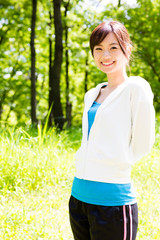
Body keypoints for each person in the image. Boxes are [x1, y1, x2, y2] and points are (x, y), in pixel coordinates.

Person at [69, 21, 155, 240]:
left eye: (113, 47)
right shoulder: (91, 94)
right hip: (79, 197)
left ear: (126, 48)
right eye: (98, 49)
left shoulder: (136, 88)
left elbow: (143, 144)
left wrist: (115, 163)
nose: (105, 55)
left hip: (113, 201)